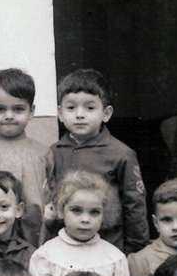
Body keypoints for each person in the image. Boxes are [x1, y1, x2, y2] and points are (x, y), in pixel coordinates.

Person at [47, 69, 148, 254]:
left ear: (106, 113)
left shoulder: (121, 154)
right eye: (71, 108)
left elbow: (134, 205)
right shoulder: (53, 153)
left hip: (109, 244)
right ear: (60, 114)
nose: (79, 114)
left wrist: (135, 251)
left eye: (90, 108)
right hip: (65, 247)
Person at [29, 170, 135, 276]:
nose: (85, 219)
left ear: (104, 214)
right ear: (61, 210)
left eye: (94, 212)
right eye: (76, 210)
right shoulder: (45, 256)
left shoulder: (114, 258)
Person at [0, 68, 52, 227]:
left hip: (34, 237)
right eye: (0, 109)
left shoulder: (43, 153)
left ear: (31, 111)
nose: (9, 115)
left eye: (18, 109)